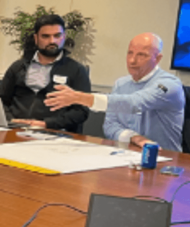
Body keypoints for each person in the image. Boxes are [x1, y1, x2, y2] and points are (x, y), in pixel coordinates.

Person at [45, 33, 185, 151]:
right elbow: (110, 126)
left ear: (158, 58)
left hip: (165, 161)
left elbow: (134, 103)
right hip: (127, 157)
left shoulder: (169, 85)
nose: (132, 60)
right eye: (130, 53)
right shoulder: (121, 83)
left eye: (142, 55)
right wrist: (133, 137)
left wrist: (80, 97)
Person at [0, 14, 91, 131]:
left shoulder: (76, 70)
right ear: (36, 38)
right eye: (45, 36)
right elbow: (0, 100)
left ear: (64, 37)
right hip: (15, 129)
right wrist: (11, 120)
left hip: (54, 133)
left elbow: (81, 111)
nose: (52, 41)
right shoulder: (18, 66)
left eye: (57, 36)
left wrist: (46, 124)